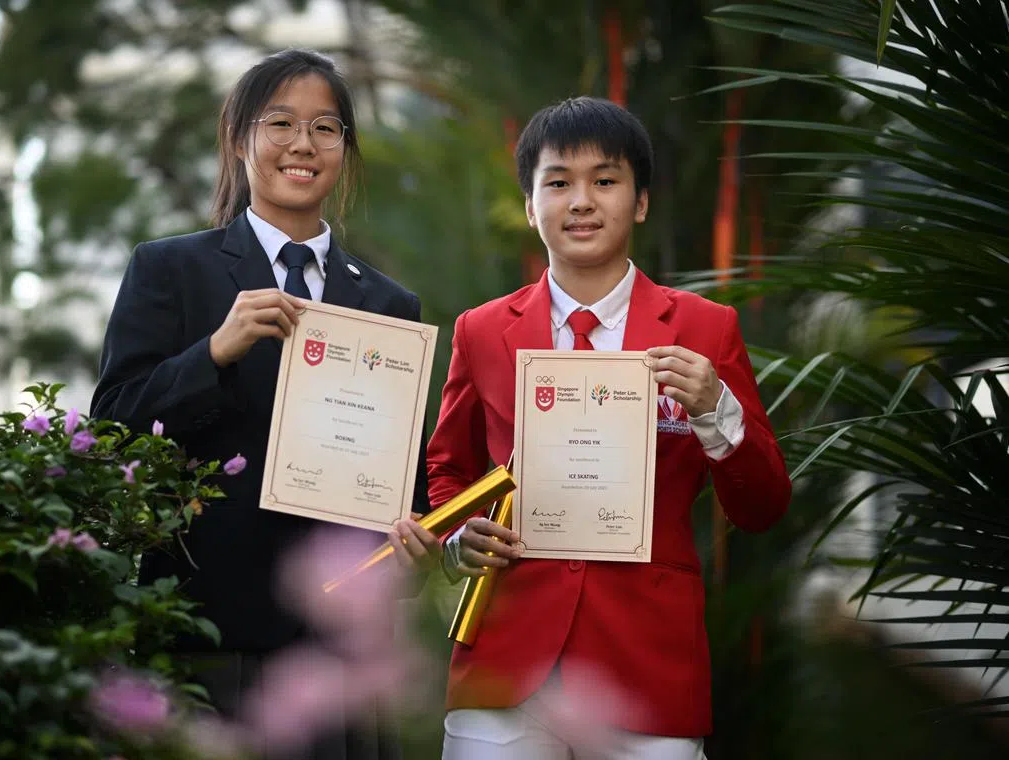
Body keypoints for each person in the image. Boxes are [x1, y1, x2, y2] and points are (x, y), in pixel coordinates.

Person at [90, 48, 440, 758]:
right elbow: (110, 433)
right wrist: (213, 353)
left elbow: (407, 485)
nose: (303, 145)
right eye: (281, 122)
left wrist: (413, 547)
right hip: (209, 636)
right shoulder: (171, 270)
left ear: (345, 149)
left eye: (326, 128)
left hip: (336, 653)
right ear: (240, 138)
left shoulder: (388, 306)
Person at [426, 96, 792, 760]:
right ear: (532, 206)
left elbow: (763, 506)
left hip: (648, 665)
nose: (582, 200)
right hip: (506, 662)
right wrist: (458, 535)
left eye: (606, 179)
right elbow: (448, 468)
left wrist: (716, 408)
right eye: (558, 181)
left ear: (641, 201)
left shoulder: (706, 331)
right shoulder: (481, 332)